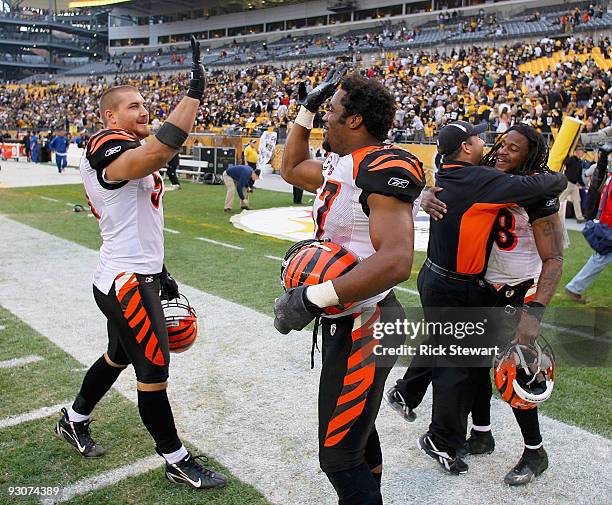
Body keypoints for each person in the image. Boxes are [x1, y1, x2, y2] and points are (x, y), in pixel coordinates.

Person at [54, 36, 226, 491]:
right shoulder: (106, 144)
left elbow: (141, 216)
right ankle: (176, 458)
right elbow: (157, 152)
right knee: (153, 373)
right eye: (132, 106)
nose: (142, 110)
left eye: (144, 103)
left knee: (117, 356)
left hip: (136, 273)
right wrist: (193, 95)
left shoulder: (132, 143)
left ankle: (73, 418)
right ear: (110, 117)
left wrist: (163, 275)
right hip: (125, 281)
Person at [275, 69, 424, 505]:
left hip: (370, 322)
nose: (326, 119)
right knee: (359, 433)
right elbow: (289, 167)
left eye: (332, 111)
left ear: (355, 120)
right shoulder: (345, 164)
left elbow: (397, 261)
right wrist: (302, 112)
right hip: (354, 321)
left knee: (338, 457)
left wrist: (312, 296)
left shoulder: (383, 165)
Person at [387, 120, 566, 475]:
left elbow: (555, 258)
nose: (501, 151)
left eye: (514, 149)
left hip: (515, 293)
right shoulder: (483, 175)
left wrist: (535, 311)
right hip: (481, 289)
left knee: (516, 374)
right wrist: (426, 194)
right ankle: (481, 434)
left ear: (531, 156)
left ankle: (535, 452)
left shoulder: (536, 193)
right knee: (472, 368)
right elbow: (450, 181)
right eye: (501, 144)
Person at [566, 146, 612, 303]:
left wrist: (604, 155)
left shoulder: (609, 177)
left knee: (600, 259)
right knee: (600, 258)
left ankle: (574, 287)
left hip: (606, 222)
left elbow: (600, 169)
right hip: (609, 224)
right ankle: (574, 287)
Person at [559, 147, 586, 223]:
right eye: (582, 151)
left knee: (577, 200)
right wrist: (567, 155)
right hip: (568, 182)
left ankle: (579, 217)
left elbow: (579, 175)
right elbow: (565, 162)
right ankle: (556, 214)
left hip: (574, 184)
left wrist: (582, 184)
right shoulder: (572, 159)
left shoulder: (579, 162)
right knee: (561, 198)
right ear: (577, 152)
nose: (583, 153)